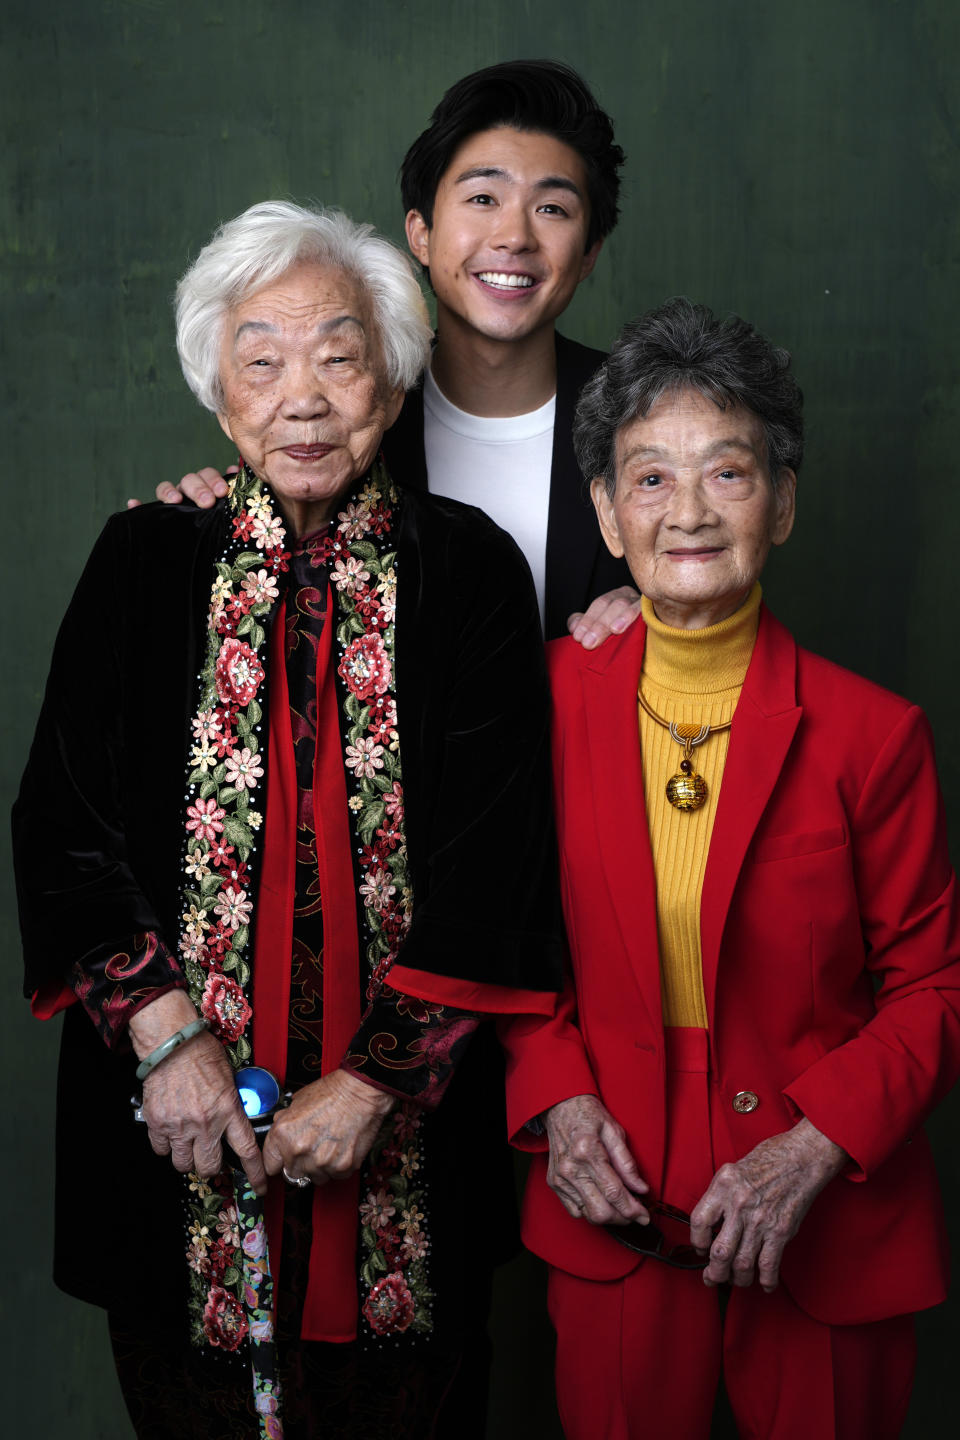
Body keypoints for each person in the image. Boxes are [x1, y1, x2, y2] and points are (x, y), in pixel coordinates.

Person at [14, 201, 563, 1440]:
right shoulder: (141, 561)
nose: (302, 396)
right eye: (260, 359)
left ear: (393, 372)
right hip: (170, 1154)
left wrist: (373, 1086)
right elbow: (63, 826)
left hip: (405, 1164)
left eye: (338, 353)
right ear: (220, 395)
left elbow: (499, 859)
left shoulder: (469, 572)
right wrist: (167, 1044)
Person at [498, 297, 960, 1440]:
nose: (688, 513)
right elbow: (493, 938)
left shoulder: (875, 734)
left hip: (827, 1226)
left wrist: (814, 1146)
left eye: (730, 473)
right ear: (605, 512)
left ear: (784, 502)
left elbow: (935, 987)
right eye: (649, 478)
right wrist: (555, 1097)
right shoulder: (536, 706)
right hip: (610, 1208)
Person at [141, 59, 641, 647]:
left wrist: (676, 606)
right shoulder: (346, 411)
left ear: (589, 254)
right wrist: (201, 513)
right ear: (420, 234)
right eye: (483, 198)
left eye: (552, 208)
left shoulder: (647, 415)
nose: (514, 237)